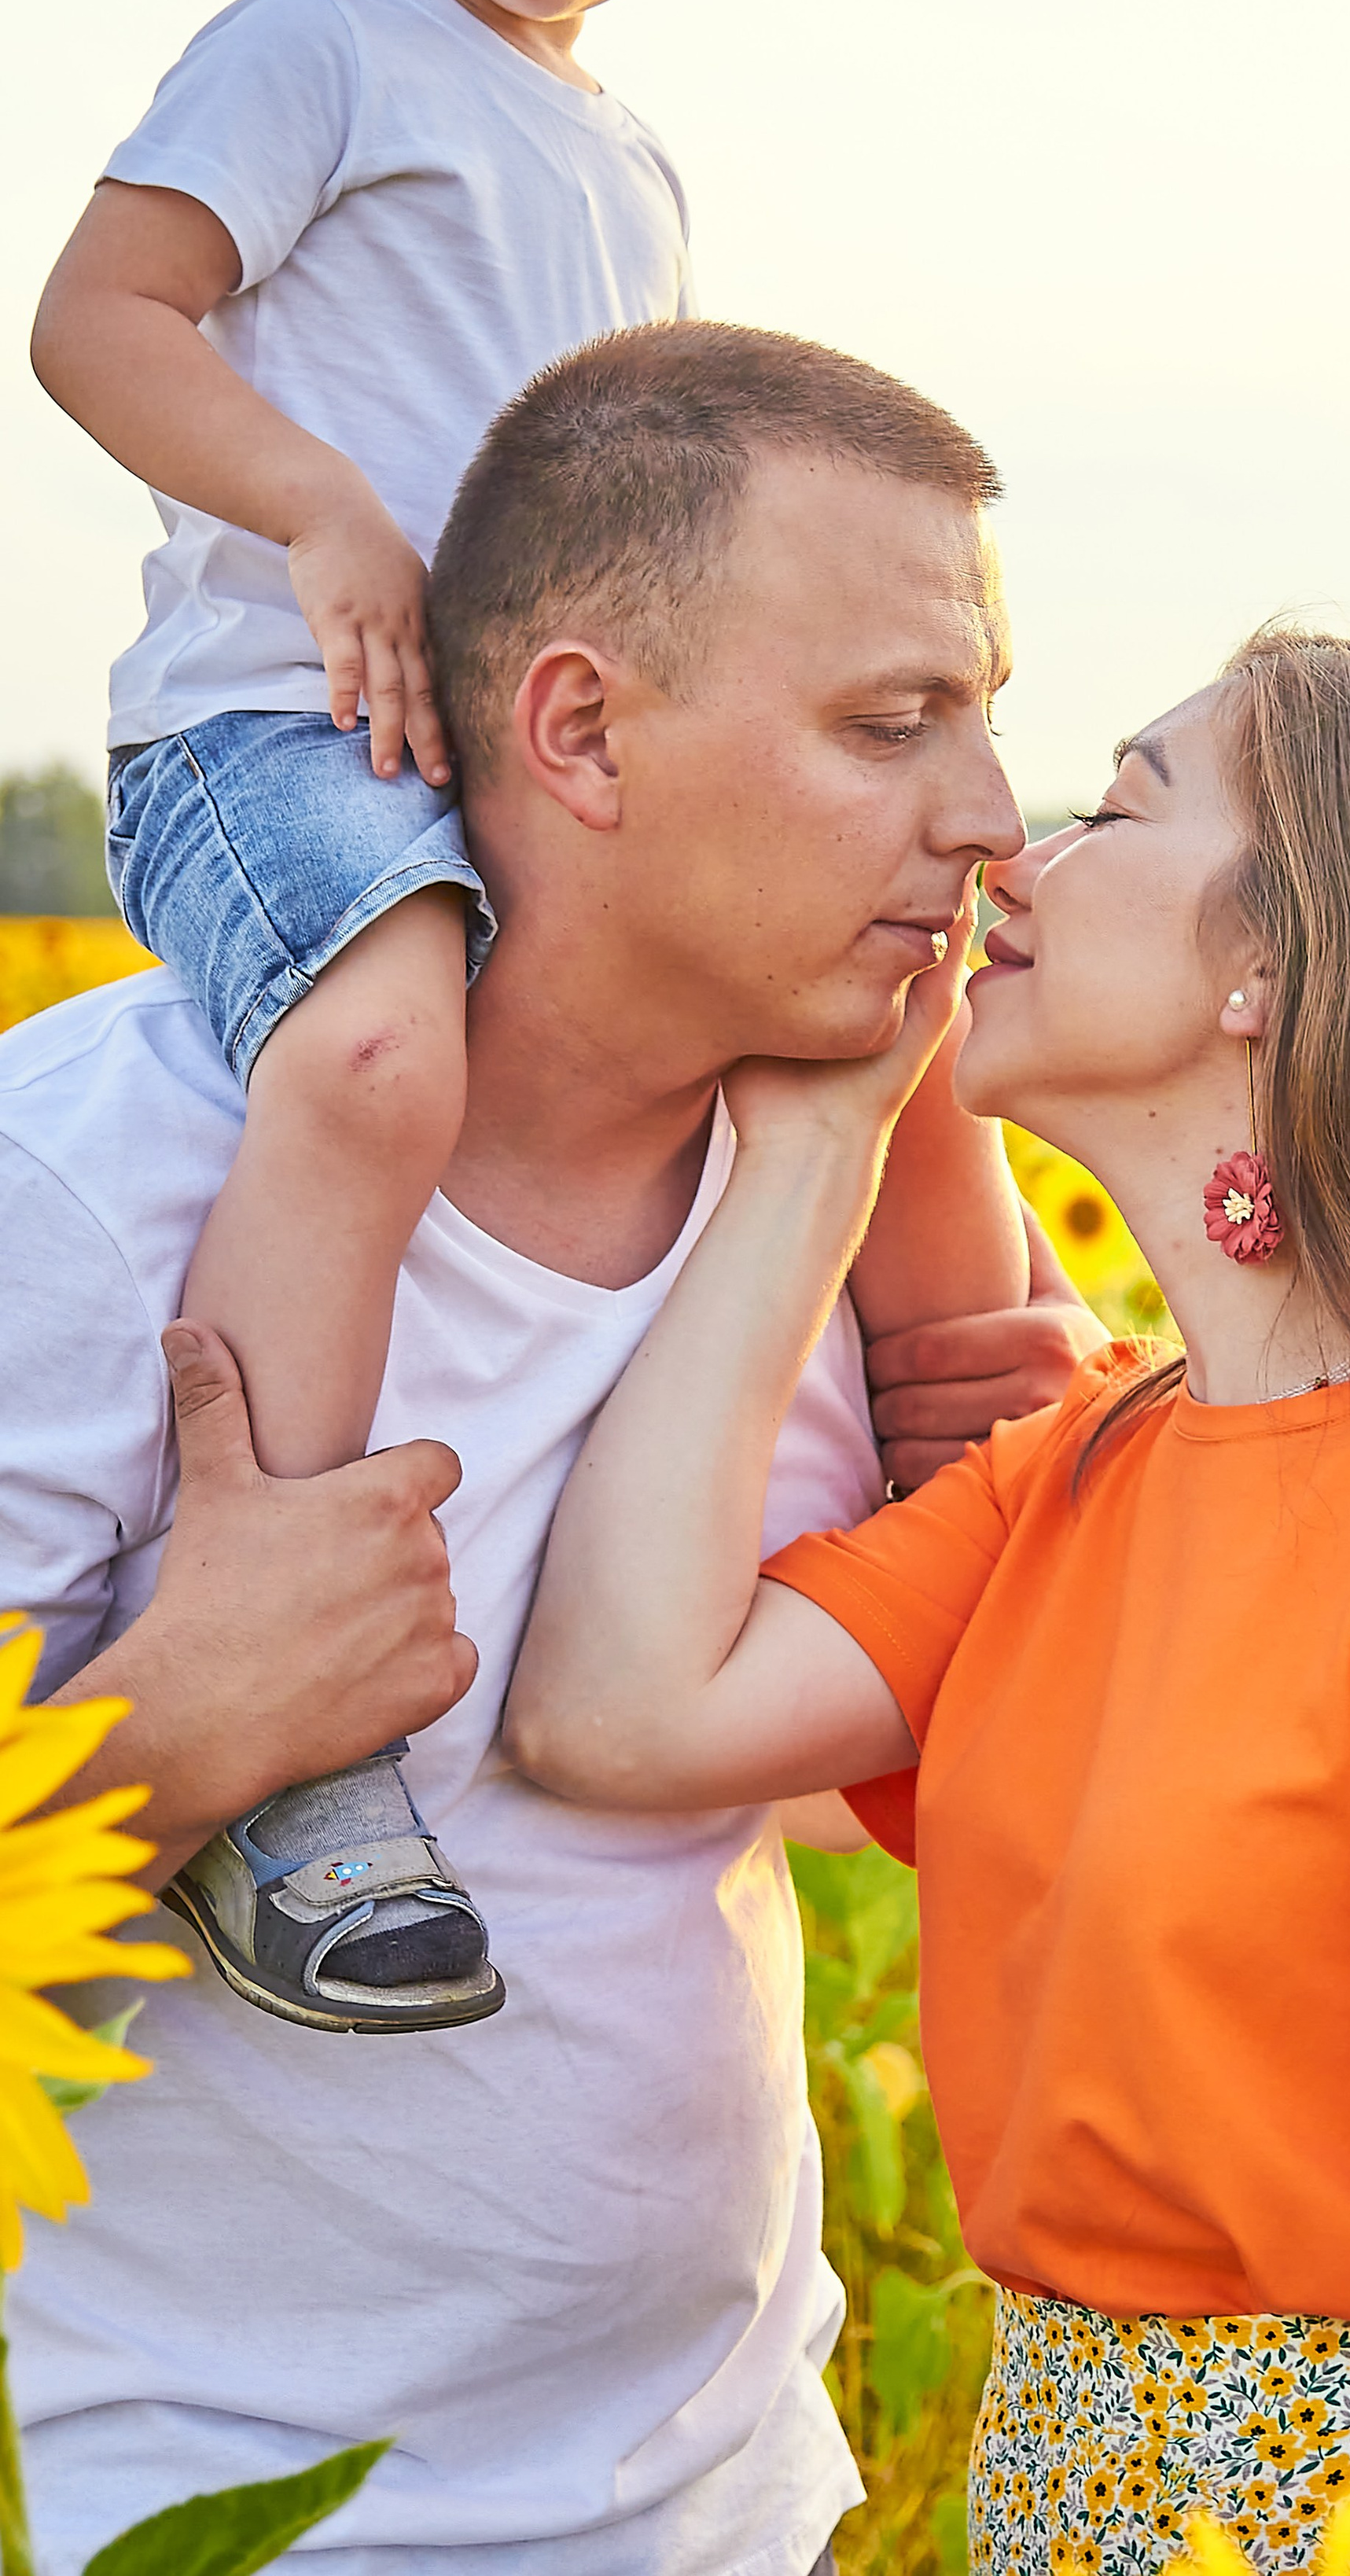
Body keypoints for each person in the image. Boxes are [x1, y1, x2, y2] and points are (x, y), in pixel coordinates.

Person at [508, 630, 1350, 2576]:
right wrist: (820, 1146)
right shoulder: (1082, 1469)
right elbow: (612, 1712)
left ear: (1269, 962)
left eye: (1114, 807)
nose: (1006, 861)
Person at [0, 322, 1098, 2576]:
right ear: (580, 729)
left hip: (739, 2497)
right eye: (891, 723)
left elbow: (914, 1749)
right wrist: (172, 1734)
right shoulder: (89, 1189)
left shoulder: (832, 1179)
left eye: (986, 715)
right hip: (230, 2522)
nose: (991, 815)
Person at [28, 0, 1028, 2028]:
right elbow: (95, 316)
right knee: (379, 1055)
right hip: (283, 728)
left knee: (879, 1037)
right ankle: (288, 1700)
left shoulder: (632, 168)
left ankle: (985, 1446)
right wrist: (316, 510)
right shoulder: (321, 51)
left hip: (480, 760)